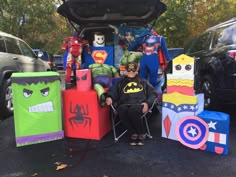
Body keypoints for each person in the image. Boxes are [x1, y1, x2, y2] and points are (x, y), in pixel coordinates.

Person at [105, 61, 157, 146]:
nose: (131, 72)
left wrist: (147, 103)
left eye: (133, 70)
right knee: (122, 110)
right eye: (129, 70)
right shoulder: (120, 82)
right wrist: (110, 97)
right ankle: (133, 132)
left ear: (137, 71)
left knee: (133, 111)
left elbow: (152, 93)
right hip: (123, 103)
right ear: (125, 70)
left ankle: (141, 132)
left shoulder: (143, 81)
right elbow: (113, 91)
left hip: (139, 104)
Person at [128, 29, 170, 94]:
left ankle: (142, 92)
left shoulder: (143, 38)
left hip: (144, 59)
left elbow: (133, 45)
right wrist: (168, 60)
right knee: (153, 77)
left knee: (142, 77)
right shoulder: (160, 38)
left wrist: (128, 51)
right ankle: (150, 92)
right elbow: (165, 50)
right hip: (153, 59)